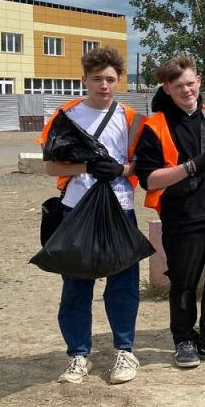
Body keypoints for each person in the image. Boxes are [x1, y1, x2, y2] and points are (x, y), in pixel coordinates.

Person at [134, 54, 205, 369]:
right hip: (183, 219)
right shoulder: (154, 127)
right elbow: (149, 180)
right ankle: (184, 339)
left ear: (198, 81)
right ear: (167, 89)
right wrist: (190, 166)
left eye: (190, 83)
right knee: (184, 283)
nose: (187, 90)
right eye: (178, 85)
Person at [41, 47, 144, 385]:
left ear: (119, 81)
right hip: (76, 210)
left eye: (110, 79)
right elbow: (50, 165)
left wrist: (123, 168)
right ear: (84, 78)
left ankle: (125, 350)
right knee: (76, 284)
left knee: (123, 283)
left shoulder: (130, 118)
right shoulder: (66, 116)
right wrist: (86, 166)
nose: (104, 85)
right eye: (97, 78)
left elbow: (142, 165)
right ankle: (78, 355)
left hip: (120, 208)